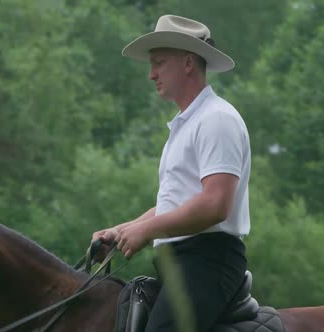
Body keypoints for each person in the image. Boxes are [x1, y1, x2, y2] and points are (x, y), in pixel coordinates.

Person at [92, 15, 251, 332]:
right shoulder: (189, 124)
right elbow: (174, 205)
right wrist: (124, 229)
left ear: (188, 63)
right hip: (181, 265)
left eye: (159, 63)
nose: (151, 75)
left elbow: (214, 204)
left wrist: (146, 231)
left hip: (207, 263)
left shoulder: (217, 119)